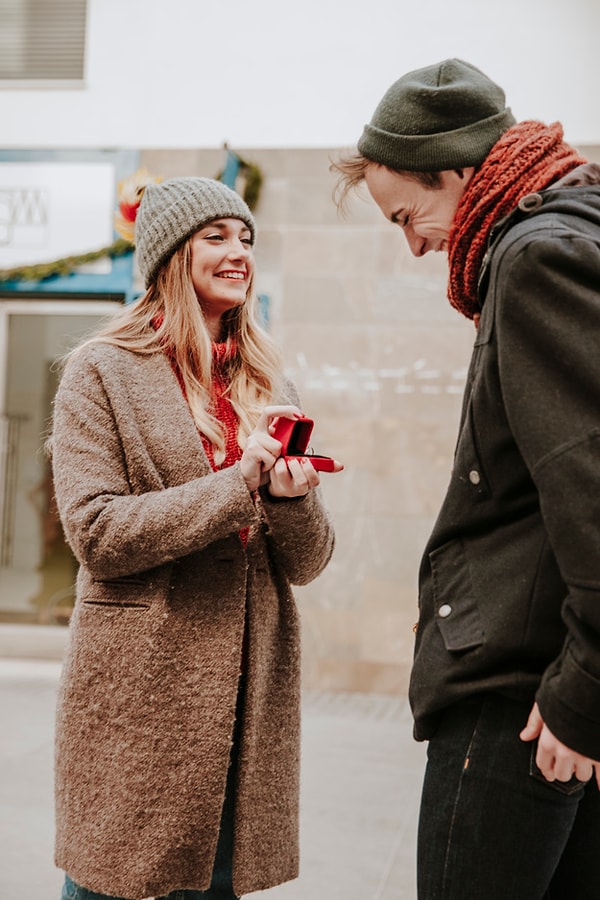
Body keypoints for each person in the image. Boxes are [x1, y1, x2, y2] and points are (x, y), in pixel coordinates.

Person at [331, 58, 600, 899]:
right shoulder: (568, 232)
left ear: (456, 168)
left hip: (518, 693)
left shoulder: (539, 257)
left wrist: (583, 690)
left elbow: (587, 487)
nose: (413, 244)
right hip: (547, 675)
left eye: (410, 214)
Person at [50, 176, 343, 900]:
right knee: (115, 882)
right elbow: (96, 532)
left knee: (213, 884)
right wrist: (237, 483)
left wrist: (288, 498)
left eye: (245, 237)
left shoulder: (268, 380)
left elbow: (307, 562)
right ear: (170, 254)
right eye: (216, 236)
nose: (238, 251)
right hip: (140, 692)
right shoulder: (102, 371)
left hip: (246, 692)